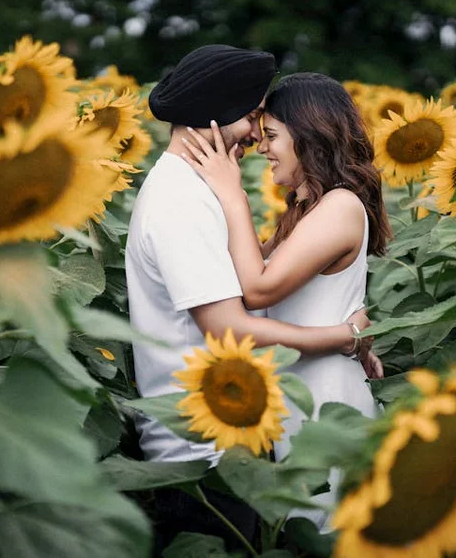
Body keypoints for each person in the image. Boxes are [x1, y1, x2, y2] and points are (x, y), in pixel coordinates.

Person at [127, 47, 374, 554]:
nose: (257, 135)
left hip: (254, 430)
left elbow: (250, 292)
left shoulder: (206, 196)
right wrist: (344, 336)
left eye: (269, 126)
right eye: (253, 117)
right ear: (218, 119)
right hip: (204, 446)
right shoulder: (183, 202)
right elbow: (237, 319)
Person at [178, 71, 392, 531]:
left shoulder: (340, 205)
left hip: (327, 397)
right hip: (304, 389)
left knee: (328, 527)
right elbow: (247, 280)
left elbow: (258, 289)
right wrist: (353, 334)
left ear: (311, 134)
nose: (261, 147)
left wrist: (230, 191)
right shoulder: (307, 210)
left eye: (272, 135)